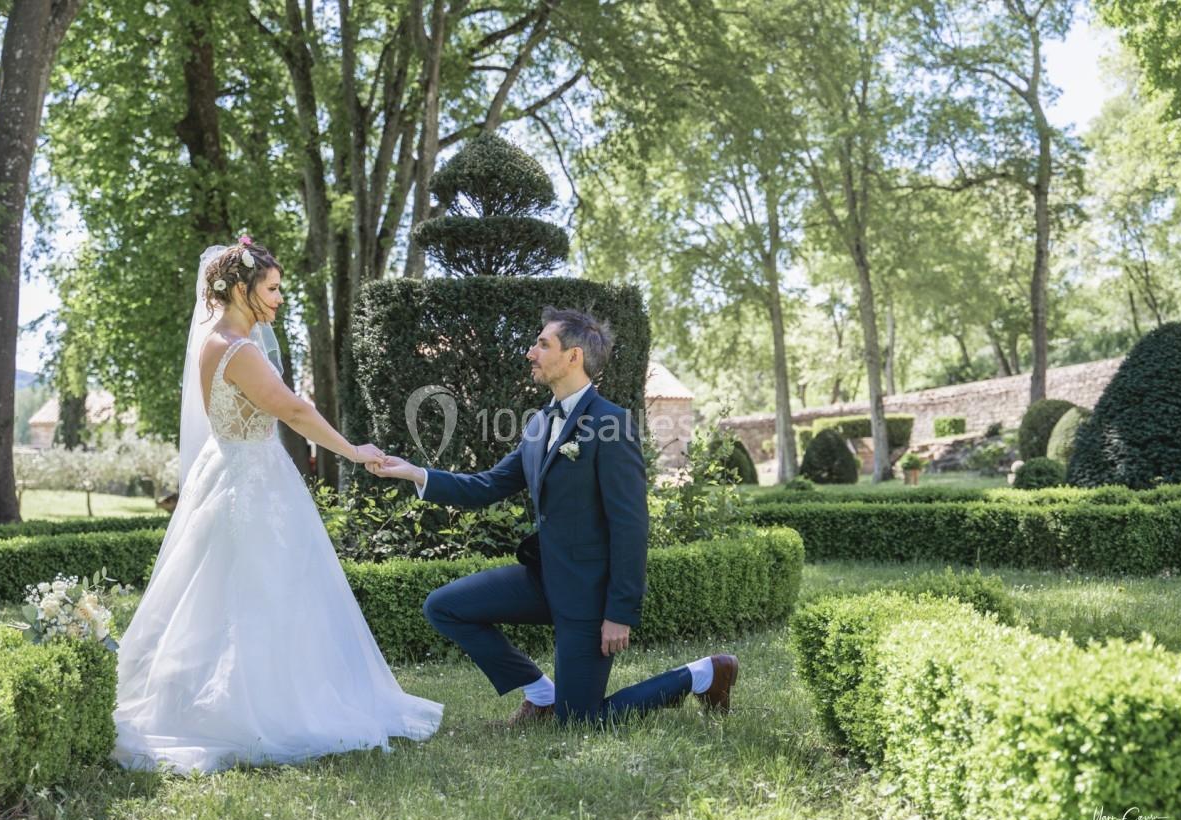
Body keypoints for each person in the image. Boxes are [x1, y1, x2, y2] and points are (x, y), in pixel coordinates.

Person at [112, 242, 441, 775]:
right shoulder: (238, 349)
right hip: (251, 481)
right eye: (271, 288)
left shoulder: (220, 343)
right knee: (263, 589)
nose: (280, 298)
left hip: (233, 471)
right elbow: (290, 408)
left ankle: (229, 697)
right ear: (240, 289)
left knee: (233, 592)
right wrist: (354, 452)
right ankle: (261, 709)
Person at [367, 307, 737, 725]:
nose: (531, 352)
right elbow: (489, 485)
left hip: (589, 597)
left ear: (573, 356)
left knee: (581, 721)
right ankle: (541, 694)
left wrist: (619, 612)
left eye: (543, 344)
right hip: (545, 580)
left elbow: (630, 526)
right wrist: (418, 474)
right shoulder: (539, 423)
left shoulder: (612, 424)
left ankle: (704, 674)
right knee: (444, 606)